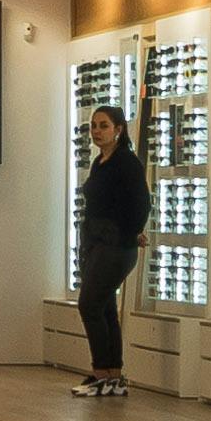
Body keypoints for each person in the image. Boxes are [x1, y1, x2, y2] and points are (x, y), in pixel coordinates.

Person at [73, 103, 149, 398]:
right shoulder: (99, 163)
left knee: (89, 304)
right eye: (94, 126)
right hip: (96, 243)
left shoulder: (127, 163)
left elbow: (141, 203)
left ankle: (101, 373)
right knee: (104, 307)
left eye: (103, 126)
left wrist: (131, 232)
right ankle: (112, 374)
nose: (97, 131)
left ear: (118, 129)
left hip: (116, 246)